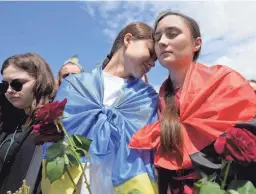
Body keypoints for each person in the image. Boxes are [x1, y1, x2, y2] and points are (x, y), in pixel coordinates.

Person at [129, 11, 256, 194]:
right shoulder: (154, 100)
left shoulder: (226, 82)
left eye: (172, 34)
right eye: (157, 37)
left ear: (196, 44)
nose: (162, 42)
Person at [41, 22, 158, 194]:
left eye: (156, 59)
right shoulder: (75, 85)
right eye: (150, 52)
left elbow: (149, 150)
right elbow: (55, 138)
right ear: (128, 40)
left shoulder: (147, 97)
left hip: (126, 185)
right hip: (75, 183)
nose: (153, 63)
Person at [0, 53, 57, 193]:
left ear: (39, 81)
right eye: (5, 84)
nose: (9, 91)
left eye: (17, 84)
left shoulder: (55, 124)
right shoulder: (8, 123)